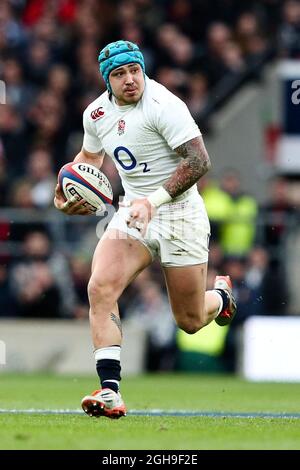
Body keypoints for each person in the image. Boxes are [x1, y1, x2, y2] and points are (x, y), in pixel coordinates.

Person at [54, 40, 237, 419]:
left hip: (179, 214)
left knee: (188, 321)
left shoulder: (164, 104)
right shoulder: (96, 113)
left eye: (135, 70)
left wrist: (151, 201)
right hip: (133, 214)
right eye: (120, 74)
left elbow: (199, 161)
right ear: (107, 80)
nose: (130, 80)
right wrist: (68, 189)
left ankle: (220, 297)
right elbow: (89, 158)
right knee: (99, 286)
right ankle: (110, 392)